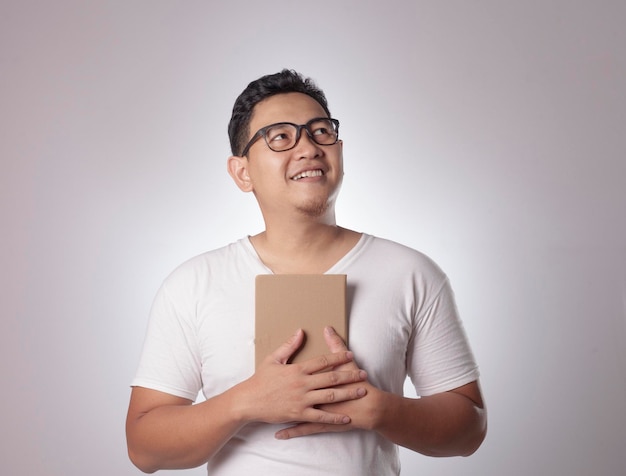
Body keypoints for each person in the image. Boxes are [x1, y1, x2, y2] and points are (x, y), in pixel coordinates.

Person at [126, 69, 487, 475]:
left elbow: (469, 428)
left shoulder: (412, 273)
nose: (309, 148)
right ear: (242, 172)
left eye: (319, 131)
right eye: (280, 137)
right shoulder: (193, 284)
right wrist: (245, 402)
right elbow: (145, 448)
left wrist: (381, 409)